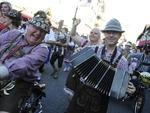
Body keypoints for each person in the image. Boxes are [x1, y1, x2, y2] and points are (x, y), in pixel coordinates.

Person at [65, 18, 136, 113]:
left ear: (120, 35)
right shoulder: (91, 49)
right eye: (108, 32)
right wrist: (78, 54)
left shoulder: (122, 61)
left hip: (101, 101)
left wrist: (130, 90)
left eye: (115, 33)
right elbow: (76, 64)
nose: (111, 35)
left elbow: (122, 88)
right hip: (81, 92)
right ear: (105, 34)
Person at [0, 16, 51, 113]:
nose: (38, 33)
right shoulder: (14, 34)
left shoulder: (42, 49)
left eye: (43, 31)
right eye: (36, 27)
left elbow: (25, 64)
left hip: (20, 80)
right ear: (28, 25)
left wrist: (2, 71)